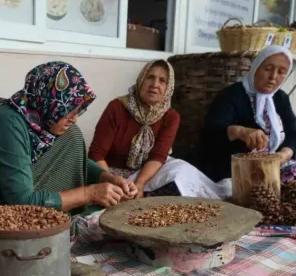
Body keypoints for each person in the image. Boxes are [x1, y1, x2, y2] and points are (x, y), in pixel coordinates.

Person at [0, 61, 138, 224]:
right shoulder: (6, 124)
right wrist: (89, 193)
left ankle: (62, 209)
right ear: (51, 102)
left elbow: (75, 161)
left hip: (13, 196)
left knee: (70, 133)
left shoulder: (36, 121)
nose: (74, 118)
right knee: (69, 133)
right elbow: (22, 202)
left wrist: (108, 178)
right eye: (69, 111)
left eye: (78, 111)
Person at [202, 46, 296, 195]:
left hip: (278, 156)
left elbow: (293, 133)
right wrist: (240, 131)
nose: (273, 77)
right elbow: (212, 131)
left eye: (281, 72)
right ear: (256, 67)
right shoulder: (231, 95)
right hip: (249, 165)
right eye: (268, 69)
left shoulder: (280, 97)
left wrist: (284, 154)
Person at [88, 60, 231, 199]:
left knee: (181, 170)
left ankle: (218, 197)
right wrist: (112, 182)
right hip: (112, 174)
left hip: (146, 175)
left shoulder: (170, 116)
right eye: (150, 77)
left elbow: (158, 156)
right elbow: (96, 154)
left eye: (162, 81)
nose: (155, 85)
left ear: (169, 88)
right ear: (141, 80)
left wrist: (140, 183)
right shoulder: (117, 107)